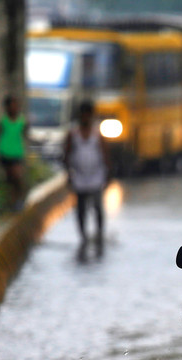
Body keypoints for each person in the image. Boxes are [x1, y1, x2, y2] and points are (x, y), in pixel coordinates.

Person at [64, 99, 111, 256]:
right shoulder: (73, 134)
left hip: (96, 176)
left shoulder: (98, 134)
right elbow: (67, 154)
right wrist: (69, 174)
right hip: (79, 177)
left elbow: (105, 154)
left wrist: (108, 174)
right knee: (81, 208)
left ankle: (99, 234)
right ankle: (83, 236)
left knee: (98, 207)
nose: (85, 118)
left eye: (88, 115)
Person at [0, 95, 30, 210]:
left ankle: (20, 198)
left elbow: (26, 135)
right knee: (9, 179)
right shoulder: (2, 121)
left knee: (17, 176)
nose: (14, 108)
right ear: (6, 107)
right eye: (11, 106)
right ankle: (11, 202)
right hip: (4, 152)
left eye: (15, 106)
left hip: (17, 153)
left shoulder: (22, 121)